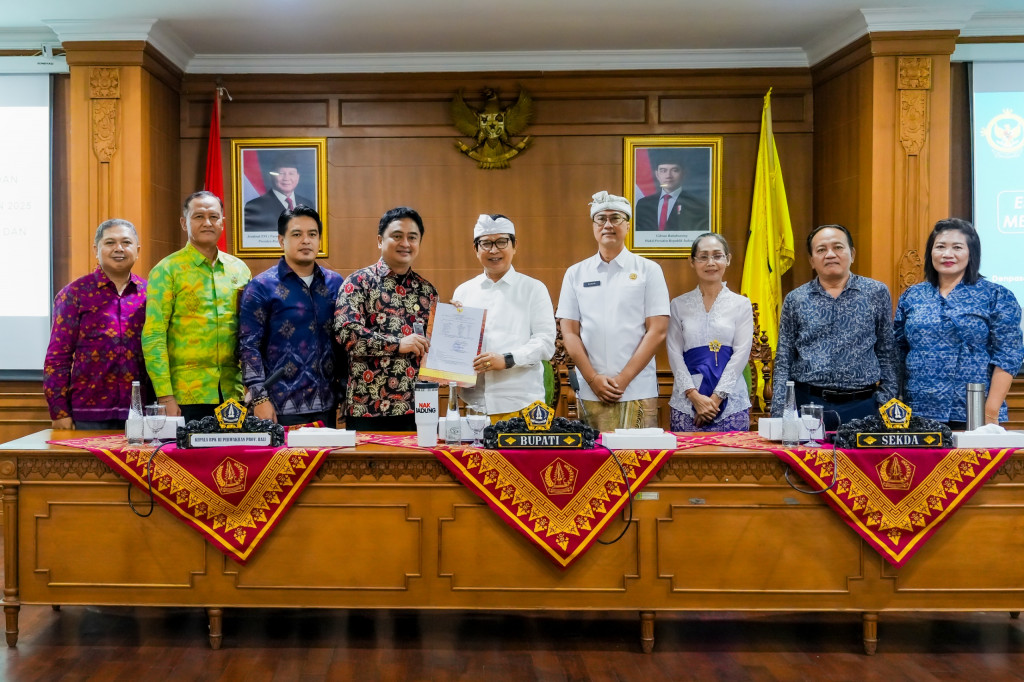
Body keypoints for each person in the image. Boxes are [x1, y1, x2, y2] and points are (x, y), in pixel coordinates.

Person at [894, 218, 1023, 428]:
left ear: (971, 252)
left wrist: (990, 413)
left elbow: (1008, 355)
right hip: (916, 410)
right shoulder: (913, 295)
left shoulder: (996, 295)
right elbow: (898, 350)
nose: (947, 254)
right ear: (931, 253)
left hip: (973, 411)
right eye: (940, 247)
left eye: (957, 247)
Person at [557, 191, 670, 431]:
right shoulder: (575, 273)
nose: (608, 224)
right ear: (594, 226)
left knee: (639, 464)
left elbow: (657, 331)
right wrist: (593, 379)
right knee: (595, 465)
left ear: (627, 225)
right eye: (601, 219)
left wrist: (624, 379)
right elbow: (569, 333)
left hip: (637, 387)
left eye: (615, 218)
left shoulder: (649, 270)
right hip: (591, 389)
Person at [771, 224, 898, 426]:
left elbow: (887, 351)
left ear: (852, 254)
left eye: (838, 247)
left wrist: (885, 400)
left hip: (864, 405)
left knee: (859, 459)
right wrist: (781, 412)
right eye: (821, 250)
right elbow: (784, 357)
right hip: (808, 404)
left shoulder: (876, 293)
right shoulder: (796, 299)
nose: (830, 254)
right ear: (812, 261)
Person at [143, 191, 252, 423]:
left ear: (223, 222)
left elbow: (248, 332)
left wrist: (251, 385)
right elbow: (153, 335)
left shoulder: (239, 270)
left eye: (214, 216)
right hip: (185, 395)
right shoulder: (166, 270)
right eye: (198, 216)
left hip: (232, 392)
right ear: (184, 223)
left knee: (232, 458)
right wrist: (165, 397)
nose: (207, 223)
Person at [238, 205, 345, 427]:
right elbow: (249, 347)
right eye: (297, 234)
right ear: (281, 240)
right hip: (278, 407)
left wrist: (345, 391)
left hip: (327, 405)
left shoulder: (336, 284)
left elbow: (343, 344)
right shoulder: (260, 287)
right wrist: (259, 398)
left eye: (312, 234)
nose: (306, 240)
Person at [334, 206, 437, 431]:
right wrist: (398, 344)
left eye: (413, 237)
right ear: (380, 240)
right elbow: (347, 333)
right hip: (368, 406)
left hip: (420, 408)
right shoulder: (358, 282)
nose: (406, 243)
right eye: (397, 236)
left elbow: (435, 347)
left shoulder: (427, 291)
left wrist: (456, 318)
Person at [43, 219, 148, 430]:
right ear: (96, 250)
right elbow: (58, 358)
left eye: (126, 242)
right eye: (110, 242)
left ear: (137, 250)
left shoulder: (150, 293)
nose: (119, 248)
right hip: (88, 415)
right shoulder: (74, 294)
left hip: (142, 412)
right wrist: (59, 412)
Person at [452, 214, 556, 421]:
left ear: (514, 245)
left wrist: (507, 359)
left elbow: (545, 343)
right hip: (473, 405)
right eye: (486, 243)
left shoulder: (533, 289)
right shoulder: (463, 292)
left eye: (501, 242)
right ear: (475, 249)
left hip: (521, 402)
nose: (494, 250)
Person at [667, 233, 753, 432]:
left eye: (717, 256)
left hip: (730, 401)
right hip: (687, 402)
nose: (710, 262)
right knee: (684, 462)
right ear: (692, 261)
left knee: (734, 462)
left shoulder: (741, 304)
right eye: (703, 257)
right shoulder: (679, 304)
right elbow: (673, 352)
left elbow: (741, 353)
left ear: (728, 259)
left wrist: (715, 399)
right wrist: (694, 396)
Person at [634, 149, 710, 232]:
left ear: (684, 174)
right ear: (657, 174)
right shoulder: (643, 204)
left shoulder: (697, 205)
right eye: (663, 170)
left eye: (674, 170)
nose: (668, 176)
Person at [243, 153, 316, 233]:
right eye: (281, 173)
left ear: (298, 176)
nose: (286, 178)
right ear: (272, 176)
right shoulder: (255, 207)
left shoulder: (308, 204)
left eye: (291, 173)